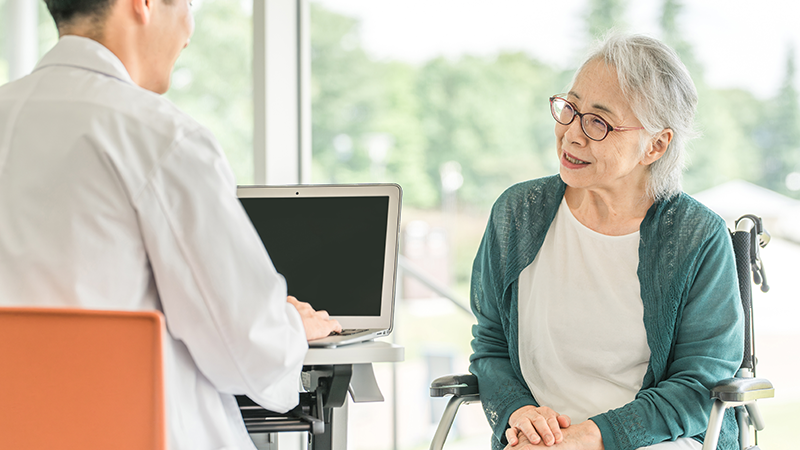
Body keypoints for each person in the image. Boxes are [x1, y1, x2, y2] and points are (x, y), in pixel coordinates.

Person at [0, 0, 341, 449]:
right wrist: (292, 326)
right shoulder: (161, 138)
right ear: (142, 5)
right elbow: (246, 349)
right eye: (188, 4)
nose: (189, 27)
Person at [469, 33, 744, 450]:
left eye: (598, 122)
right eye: (570, 109)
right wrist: (521, 414)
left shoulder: (697, 237)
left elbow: (699, 386)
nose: (572, 135)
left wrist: (588, 438)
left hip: (658, 440)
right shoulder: (516, 213)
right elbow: (490, 346)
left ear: (656, 145)